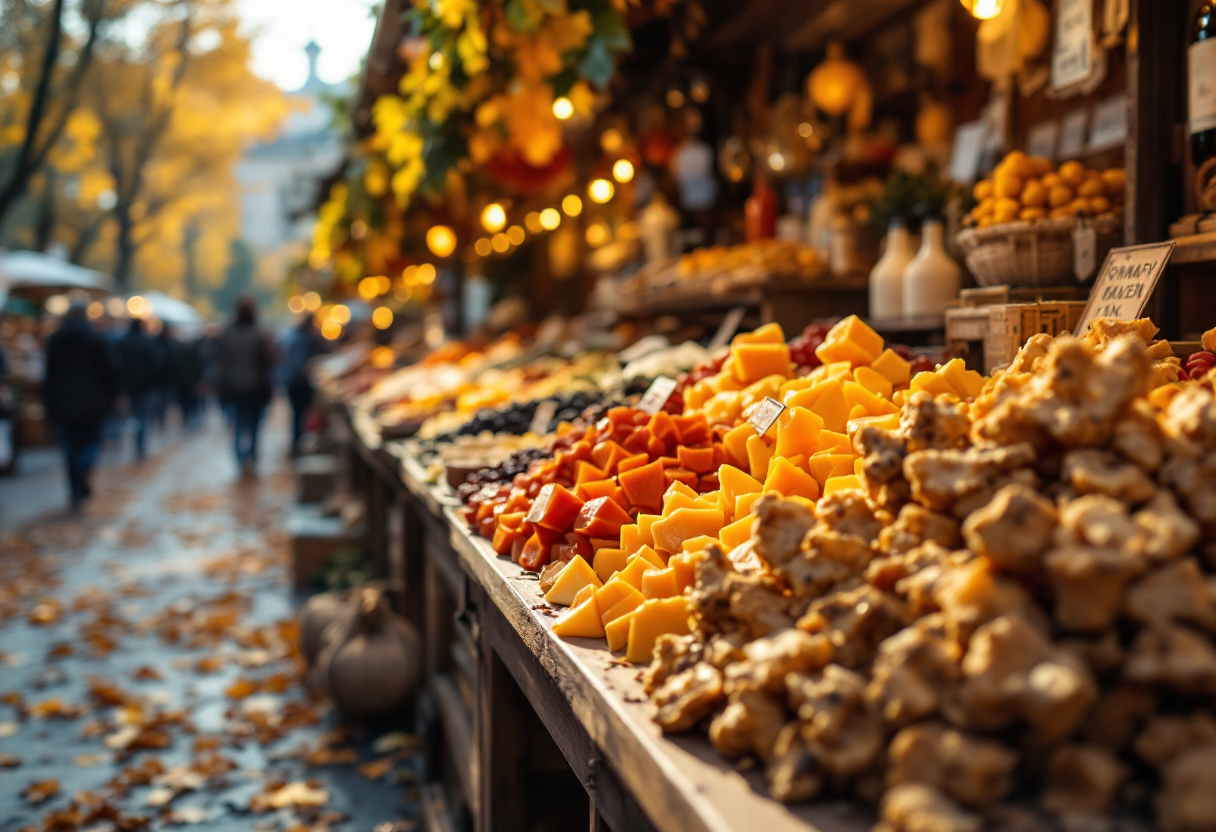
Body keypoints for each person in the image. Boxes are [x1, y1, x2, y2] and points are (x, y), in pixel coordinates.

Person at [42, 294, 118, 507]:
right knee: (91, 442)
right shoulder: (97, 338)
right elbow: (109, 371)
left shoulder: (55, 339)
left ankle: (75, 488)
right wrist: (113, 396)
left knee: (69, 448)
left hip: (63, 403)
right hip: (93, 403)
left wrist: (49, 403)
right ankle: (85, 468)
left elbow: (48, 374)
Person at [217, 296, 274, 476]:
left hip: (234, 388)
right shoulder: (258, 334)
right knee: (255, 427)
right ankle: (252, 457)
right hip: (255, 388)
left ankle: (241, 459)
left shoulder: (228, 333)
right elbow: (267, 362)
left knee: (239, 425)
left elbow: (222, 362)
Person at [116, 317, 159, 460]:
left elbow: (118, 366)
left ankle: (132, 442)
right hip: (144, 386)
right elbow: (154, 364)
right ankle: (139, 444)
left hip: (129, 386)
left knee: (133, 415)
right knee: (142, 416)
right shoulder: (146, 342)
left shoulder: (123, 342)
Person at [281, 315, 323, 454]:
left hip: (291, 382)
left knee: (296, 415)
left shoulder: (295, 337)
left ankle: (296, 442)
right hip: (298, 383)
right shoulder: (304, 340)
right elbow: (300, 365)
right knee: (299, 415)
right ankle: (297, 444)